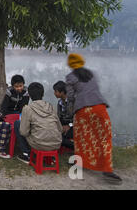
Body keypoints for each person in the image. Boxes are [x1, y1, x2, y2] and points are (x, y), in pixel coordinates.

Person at [66, 53, 122, 185]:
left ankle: (79, 163)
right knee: (104, 138)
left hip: (82, 110)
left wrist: (69, 112)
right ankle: (107, 170)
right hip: (100, 108)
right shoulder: (92, 74)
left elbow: (71, 97)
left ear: (70, 65)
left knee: (82, 138)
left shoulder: (70, 77)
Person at [14, 82, 63, 164]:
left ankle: (27, 154)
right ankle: (51, 157)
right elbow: (60, 129)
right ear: (43, 94)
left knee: (17, 123)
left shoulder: (27, 109)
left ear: (29, 95)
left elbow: (23, 132)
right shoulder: (50, 106)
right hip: (56, 144)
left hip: (39, 144)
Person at [53, 81, 74, 149]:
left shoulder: (73, 101)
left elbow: (79, 117)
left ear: (62, 92)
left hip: (74, 126)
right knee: (53, 134)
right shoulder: (60, 103)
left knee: (59, 139)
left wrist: (69, 126)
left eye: (56, 91)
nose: (54, 93)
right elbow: (59, 117)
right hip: (63, 125)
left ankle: (75, 145)